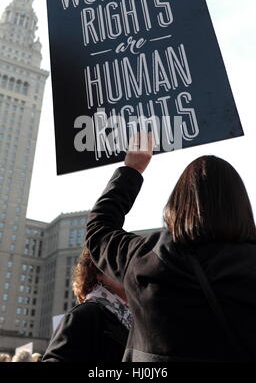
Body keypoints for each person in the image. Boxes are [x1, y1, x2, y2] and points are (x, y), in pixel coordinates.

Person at [85, 133, 256, 362]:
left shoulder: (145, 259)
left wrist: (132, 170)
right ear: (242, 206)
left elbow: (99, 228)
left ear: (177, 203)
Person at [42, 247, 132, 362]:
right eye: (121, 263)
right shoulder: (83, 315)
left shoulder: (133, 319)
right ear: (98, 273)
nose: (129, 270)